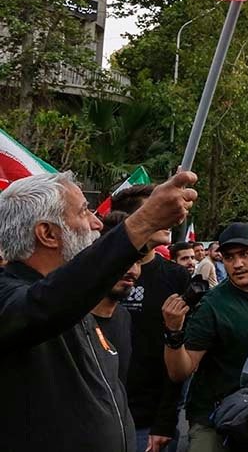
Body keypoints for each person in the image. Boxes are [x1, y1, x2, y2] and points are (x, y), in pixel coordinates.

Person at [0, 171, 197, 452]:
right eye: (83, 212)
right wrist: (145, 220)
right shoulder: (13, 300)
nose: (96, 222)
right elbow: (45, 304)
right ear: (48, 233)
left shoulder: (82, 305)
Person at [162, 222, 248, 452]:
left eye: (244, 254)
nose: (238, 264)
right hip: (215, 419)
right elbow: (180, 371)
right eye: (229, 257)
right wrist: (174, 333)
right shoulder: (212, 306)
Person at [106, 207, 191, 452]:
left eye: (136, 263)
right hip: (102, 421)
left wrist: (164, 421)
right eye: (160, 207)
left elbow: (179, 362)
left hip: (149, 422)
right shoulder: (80, 295)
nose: (172, 217)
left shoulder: (175, 277)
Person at [92, 256, 141, 385]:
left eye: (138, 262)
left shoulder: (123, 316)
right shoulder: (71, 320)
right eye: (123, 259)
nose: (133, 271)